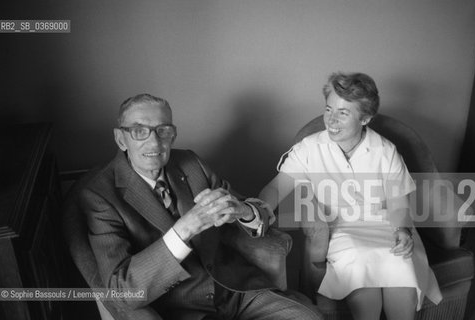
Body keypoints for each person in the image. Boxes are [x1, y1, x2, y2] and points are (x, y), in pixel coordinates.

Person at [79, 93, 323, 320]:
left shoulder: (190, 163)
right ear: (121, 139)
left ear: (172, 134)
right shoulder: (100, 196)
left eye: (163, 130)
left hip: (236, 291)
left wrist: (243, 211)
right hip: (180, 308)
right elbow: (122, 291)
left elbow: (255, 214)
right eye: (139, 131)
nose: (154, 142)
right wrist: (183, 229)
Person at [259, 72, 442, 320]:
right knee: (363, 284)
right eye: (328, 109)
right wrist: (259, 211)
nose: (331, 120)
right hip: (343, 230)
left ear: (365, 118)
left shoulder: (385, 151)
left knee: (400, 272)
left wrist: (403, 231)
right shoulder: (309, 148)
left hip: (388, 226)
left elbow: (399, 204)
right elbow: (274, 189)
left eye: (343, 113)